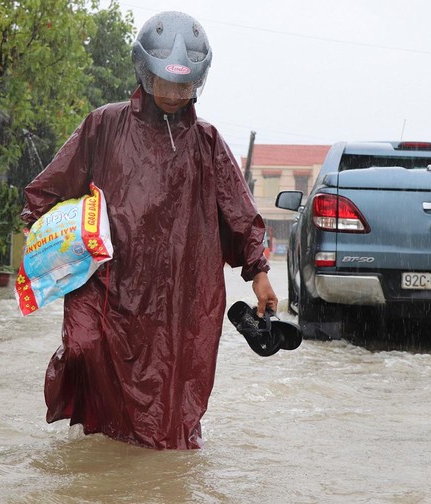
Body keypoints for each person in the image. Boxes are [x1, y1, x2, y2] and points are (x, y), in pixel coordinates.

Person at [20, 11, 277, 449]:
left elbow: (239, 213)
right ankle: (106, 460)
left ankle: (157, 470)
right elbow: (51, 186)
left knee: (169, 400)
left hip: (179, 297)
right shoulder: (104, 125)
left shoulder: (207, 143)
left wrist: (260, 275)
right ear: (145, 72)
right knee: (85, 351)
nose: (174, 94)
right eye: (165, 82)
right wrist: (39, 238)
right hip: (109, 284)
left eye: (184, 85)